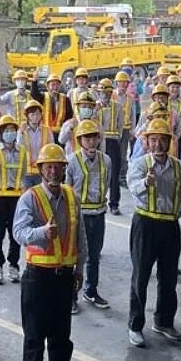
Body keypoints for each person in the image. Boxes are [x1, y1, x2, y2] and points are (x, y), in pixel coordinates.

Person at [12, 144, 87, 361]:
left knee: (61, 333)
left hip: (64, 277)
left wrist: (80, 268)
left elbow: (81, 235)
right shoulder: (29, 198)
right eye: (48, 166)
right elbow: (19, 232)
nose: (53, 171)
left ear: (64, 169)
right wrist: (42, 232)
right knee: (34, 334)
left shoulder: (71, 196)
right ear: (41, 169)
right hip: (37, 278)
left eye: (58, 166)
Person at [126, 118, 181, 348]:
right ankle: (135, 325)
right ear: (147, 142)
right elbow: (133, 189)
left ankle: (163, 321)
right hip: (145, 224)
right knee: (140, 277)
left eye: (163, 140)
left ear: (169, 142)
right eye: (154, 140)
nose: (158, 144)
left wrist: (171, 211)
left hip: (170, 226)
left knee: (169, 277)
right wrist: (146, 183)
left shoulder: (179, 167)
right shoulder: (140, 164)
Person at [66, 119, 112, 312]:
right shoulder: (71, 161)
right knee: (75, 256)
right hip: (80, 215)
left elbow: (107, 183)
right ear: (79, 140)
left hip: (99, 214)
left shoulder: (106, 160)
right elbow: (66, 189)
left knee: (94, 255)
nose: (91, 142)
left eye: (94, 138)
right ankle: (71, 296)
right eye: (87, 138)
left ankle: (91, 290)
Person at [0, 116, 29, 285]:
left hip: (16, 197)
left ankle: (13, 265)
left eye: (13, 130)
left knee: (15, 233)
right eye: (7, 130)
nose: (10, 133)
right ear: (1, 133)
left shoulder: (22, 151)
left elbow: (24, 173)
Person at [96, 78, 128, 216]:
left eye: (108, 92)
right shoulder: (95, 107)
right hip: (99, 143)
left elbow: (120, 125)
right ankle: (99, 199)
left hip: (113, 142)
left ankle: (114, 203)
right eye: (103, 92)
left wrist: (116, 137)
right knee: (99, 173)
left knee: (114, 173)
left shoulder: (118, 106)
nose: (105, 95)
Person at [19, 100, 53, 189]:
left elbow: (51, 149)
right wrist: (20, 133)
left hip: (42, 172)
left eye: (38, 114)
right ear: (27, 116)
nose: (35, 117)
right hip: (26, 172)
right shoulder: (22, 129)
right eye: (32, 114)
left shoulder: (47, 130)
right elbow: (19, 147)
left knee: (41, 198)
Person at [32, 73, 72, 141]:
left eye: (57, 84)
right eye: (53, 84)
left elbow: (69, 115)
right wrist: (34, 81)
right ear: (47, 86)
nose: (55, 87)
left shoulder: (65, 99)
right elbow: (34, 94)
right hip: (45, 133)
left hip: (60, 134)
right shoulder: (43, 97)